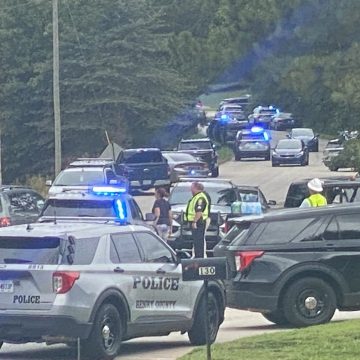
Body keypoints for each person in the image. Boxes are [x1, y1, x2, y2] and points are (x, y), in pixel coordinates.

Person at [185, 182, 210, 258]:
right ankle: (197, 257)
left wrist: (194, 221)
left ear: (196, 188)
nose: (190, 189)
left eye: (192, 187)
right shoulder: (196, 197)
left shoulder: (200, 198)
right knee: (196, 243)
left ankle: (199, 259)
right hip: (197, 223)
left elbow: (199, 211)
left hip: (199, 223)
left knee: (199, 243)